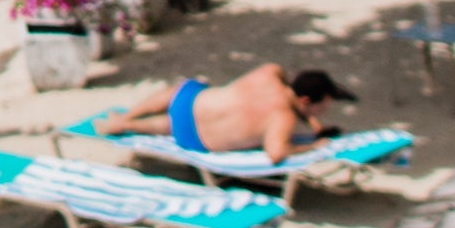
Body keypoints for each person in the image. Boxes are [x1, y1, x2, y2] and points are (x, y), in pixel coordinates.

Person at [96, 61, 355, 166]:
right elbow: (277, 152)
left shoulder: (270, 72)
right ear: (307, 100)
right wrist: (313, 146)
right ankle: (133, 126)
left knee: (181, 90)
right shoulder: (283, 118)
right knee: (169, 125)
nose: (324, 111)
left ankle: (126, 118)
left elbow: (291, 96)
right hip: (196, 139)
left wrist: (311, 118)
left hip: (193, 103)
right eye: (323, 107)